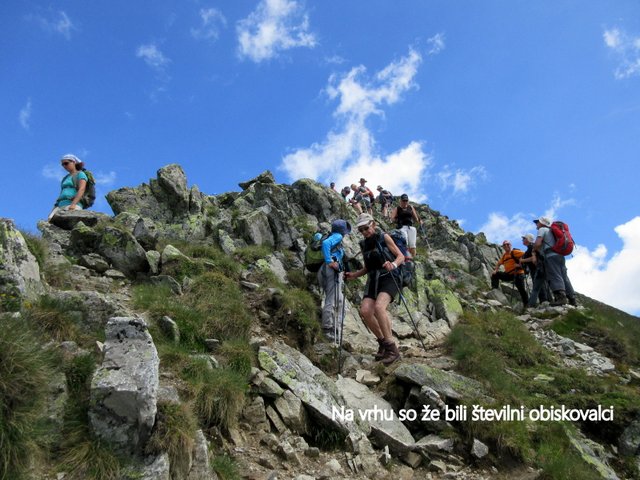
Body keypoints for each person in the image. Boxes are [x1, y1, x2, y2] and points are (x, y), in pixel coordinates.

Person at [345, 213, 405, 365]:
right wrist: (353, 275)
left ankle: (393, 350)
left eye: (366, 228)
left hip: (389, 277)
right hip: (373, 279)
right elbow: (367, 267)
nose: (364, 232)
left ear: (373, 224)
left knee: (379, 307)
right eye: (361, 230)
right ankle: (383, 343)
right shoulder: (363, 244)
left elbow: (400, 256)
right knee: (365, 311)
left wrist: (393, 265)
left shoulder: (384, 237)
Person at [317, 219, 351, 342]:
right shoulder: (337, 236)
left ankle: (336, 328)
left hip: (326, 271)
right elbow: (326, 244)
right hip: (331, 270)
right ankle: (327, 329)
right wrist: (330, 262)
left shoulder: (332, 235)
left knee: (340, 301)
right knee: (331, 299)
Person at [533, 216, 577, 306]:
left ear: (542, 223)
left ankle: (561, 298)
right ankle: (572, 299)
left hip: (550, 256)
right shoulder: (552, 231)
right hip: (560, 255)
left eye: (537, 222)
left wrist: (534, 250)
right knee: (564, 277)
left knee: (554, 275)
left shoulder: (542, 229)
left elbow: (537, 244)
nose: (536, 224)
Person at [48, 154, 88, 221]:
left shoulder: (81, 174)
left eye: (66, 163)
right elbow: (62, 193)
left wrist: (73, 204)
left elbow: (82, 189)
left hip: (72, 205)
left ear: (74, 162)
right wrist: (54, 208)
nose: (64, 166)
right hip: (60, 205)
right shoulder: (65, 178)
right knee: (49, 221)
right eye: (62, 164)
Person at [491, 240, 529, 309]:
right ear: (503, 247)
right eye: (504, 245)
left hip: (518, 274)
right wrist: (495, 270)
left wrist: (519, 264)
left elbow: (525, 254)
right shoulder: (504, 256)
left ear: (510, 245)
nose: (506, 246)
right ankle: (494, 290)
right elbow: (498, 264)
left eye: (507, 244)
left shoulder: (514, 252)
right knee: (495, 274)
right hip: (509, 274)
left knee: (521, 290)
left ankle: (526, 305)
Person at [519, 233, 548, 307]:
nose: (522, 240)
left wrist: (523, 260)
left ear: (528, 239)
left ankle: (544, 301)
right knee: (539, 286)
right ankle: (544, 301)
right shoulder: (530, 247)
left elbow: (533, 258)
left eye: (524, 238)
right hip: (535, 269)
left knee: (539, 286)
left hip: (536, 269)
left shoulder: (531, 247)